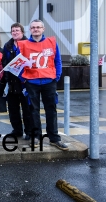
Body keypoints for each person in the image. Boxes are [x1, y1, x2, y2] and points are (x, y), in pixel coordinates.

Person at [18, 19, 68, 150]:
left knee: (51, 110)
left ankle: (54, 138)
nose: (36, 29)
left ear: (43, 29)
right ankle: (36, 136)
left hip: (49, 81)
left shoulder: (51, 42)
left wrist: (56, 77)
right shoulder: (23, 45)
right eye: (33, 27)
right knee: (33, 110)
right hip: (31, 82)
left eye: (38, 27)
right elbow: (18, 64)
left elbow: (57, 60)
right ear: (30, 30)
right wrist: (23, 79)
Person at [2, 23, 32, 140]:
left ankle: (29, 131)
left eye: (17, 30)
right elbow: (4, 62)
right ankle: (17, 130)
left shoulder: (28, 44)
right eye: (13, 30)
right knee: (13, 109)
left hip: (25, 82)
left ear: (22, 32)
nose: (15, 32)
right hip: (11, 82)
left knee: (27, 109)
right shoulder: (7, 45)